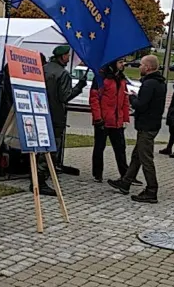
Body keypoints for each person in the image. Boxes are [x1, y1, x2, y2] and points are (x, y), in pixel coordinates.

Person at [107, 55, 166, 203]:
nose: (139, 67)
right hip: (152, 124)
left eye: (141, 65)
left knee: (146, 159)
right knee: (137, 156)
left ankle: (152, 190)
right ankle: (125, 182)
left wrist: (131, 98)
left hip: (147, 126)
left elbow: (141, 105)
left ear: (148, 67)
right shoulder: (160, 83)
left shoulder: (149, 83)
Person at [39, 45, 86, 195]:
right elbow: (65, 97)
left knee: (40, 147)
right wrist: (79, 86)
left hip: (40, 113)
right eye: (67, 55)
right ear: (62, 56)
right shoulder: (62, 74)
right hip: (55, 116)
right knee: (51, 149)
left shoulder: (43, 68)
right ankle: (41, 181)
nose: (68, 58)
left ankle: (38, 177)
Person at [90, 58, 130, 183]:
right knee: (99, 147)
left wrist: (125, 118)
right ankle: (97, 174)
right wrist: (98, 118)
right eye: (120, 62)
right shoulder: (101, 79)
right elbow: (94, 99)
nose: (123, 64)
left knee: (120, 148)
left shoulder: (122, 79)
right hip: (103, 120)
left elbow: (125, 100)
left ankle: (125, 174)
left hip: (117, 121)